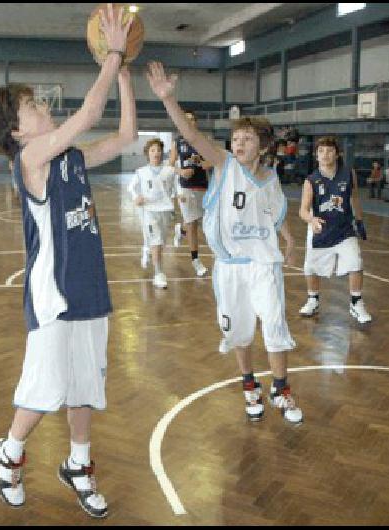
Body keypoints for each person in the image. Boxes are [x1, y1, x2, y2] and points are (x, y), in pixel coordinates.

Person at [0, 5, 136, 518]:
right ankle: (9, 453)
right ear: (15, 130)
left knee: (85, 385)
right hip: (53, 294)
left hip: (89, 287)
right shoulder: (29, 161)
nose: (41, 104)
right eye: (30, 105)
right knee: (45, 390)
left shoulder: (70, 158)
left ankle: (79, 465)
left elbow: (126, 136)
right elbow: (89, 115)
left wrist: (125, 70)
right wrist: (111, 52)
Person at [147, 61, 303, 426]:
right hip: (230, 267)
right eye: (236, 139)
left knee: (275, 322)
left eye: (248, 139)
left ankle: (281, 388)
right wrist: (169, 100)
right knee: (239, 330)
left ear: (264, 147)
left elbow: (273, 214)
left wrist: (289, 238)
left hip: (263, 262)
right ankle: (250, 385)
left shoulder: (272, 179)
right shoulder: (224, 164)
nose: (239, 143)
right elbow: (191, 133)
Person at [298, 136, 371, 324]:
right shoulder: (311, 180)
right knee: (311, 267)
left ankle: (356, 302)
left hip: (344, 229)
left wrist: (360, 221)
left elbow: (354, 198)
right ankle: (313, 299)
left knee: (356, 261)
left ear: (337, 154)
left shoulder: (348, 173)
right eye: (321, 151)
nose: (325, 154)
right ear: (316, 155)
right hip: (320, 229)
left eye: (329, 150)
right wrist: (311, 219)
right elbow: (303, 211)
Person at [129, 138, 176, 288]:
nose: (156, 153)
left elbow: (176, 183)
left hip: (165, 209)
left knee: (160, 240)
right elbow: (131, 187)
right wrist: (136, 197)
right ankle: (158, 273)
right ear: (147, 153)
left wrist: (178, 195)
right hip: (149, 210)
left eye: (158, 150)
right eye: (152, 150)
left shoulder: (168, 170)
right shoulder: (141, 172)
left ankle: (146, 248)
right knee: (156, 240)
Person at [168, 110, 210, 277]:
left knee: (196, 220)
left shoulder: (203, 141)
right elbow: (170, 165)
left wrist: (202, 163)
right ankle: (196, 261)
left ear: (196, 123)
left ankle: (181, 230)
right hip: (185, 187)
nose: (189, 122)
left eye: (192, 119)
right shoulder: (177, 143)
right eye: (186, 120)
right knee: (193, 223)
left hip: (203, 186)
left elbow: (211, 163)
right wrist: (180, 171)